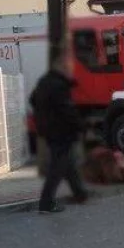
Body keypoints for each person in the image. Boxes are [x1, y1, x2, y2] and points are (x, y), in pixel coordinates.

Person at [30, 52, 89, 214]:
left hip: (49, 131)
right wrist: (80, 126)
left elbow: (32, 99)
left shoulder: (44, 82)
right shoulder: (58, 85)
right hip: (61, 131)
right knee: (58, 167)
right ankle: (46, 203)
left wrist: (43, 115)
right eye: (68, 67)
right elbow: (67, 110)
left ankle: (80, 193)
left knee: (67, 163)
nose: (70, 70)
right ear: (61, 67)